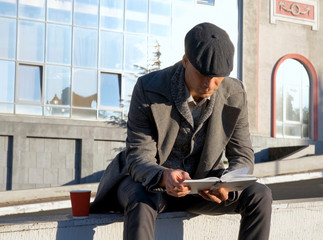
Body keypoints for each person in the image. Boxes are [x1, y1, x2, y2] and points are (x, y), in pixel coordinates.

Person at [90, 22, 272, 240]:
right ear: (186, 61)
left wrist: (229, 185)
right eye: (203, 74)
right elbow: (138, 157)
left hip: (205, 188)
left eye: (217, 77)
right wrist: (163, 177)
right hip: (152, 185)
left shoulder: (235, 93)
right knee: (140, 198)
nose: (209, 84)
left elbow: (242, 154)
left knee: (260, 194)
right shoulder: (149, 89)